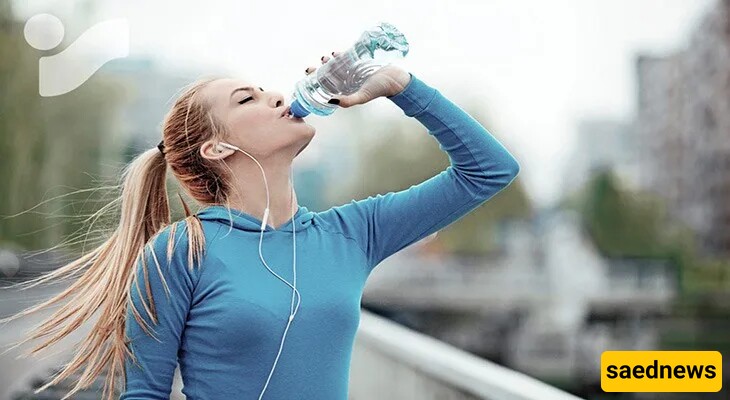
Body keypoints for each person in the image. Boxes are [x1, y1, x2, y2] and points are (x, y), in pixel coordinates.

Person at [1, 51, 520, 400]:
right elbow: (145, 393)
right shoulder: (182, 250)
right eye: (247, 99)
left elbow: (489, 170)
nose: (276, 96)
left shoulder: (353, 233)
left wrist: (401, 87)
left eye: (267, 90)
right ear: (217, 148)